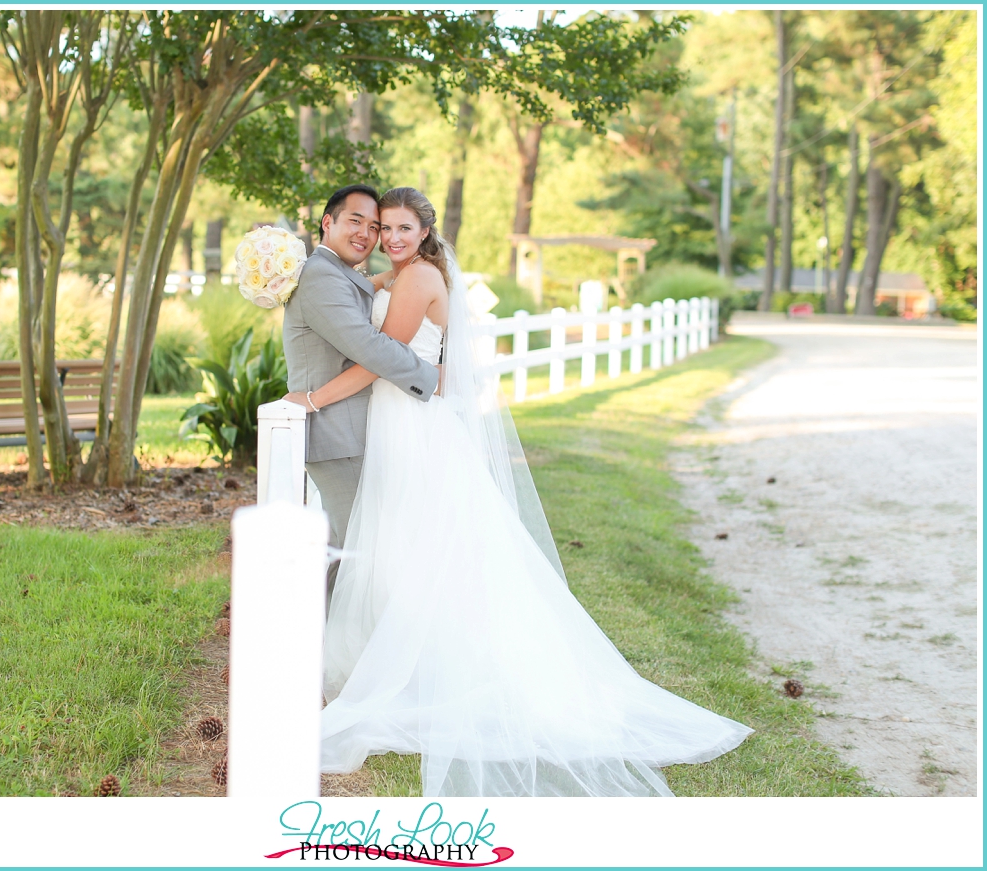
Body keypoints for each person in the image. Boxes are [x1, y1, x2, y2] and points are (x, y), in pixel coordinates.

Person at [284, 187, 752, 797]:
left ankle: (420, 669)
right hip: (401, 425)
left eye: (400, 228)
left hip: (410, 422)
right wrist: (373, 285)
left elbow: (379, 356)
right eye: (380, 227)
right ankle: (396, 658)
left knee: (411, 546)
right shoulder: (396, 277)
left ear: (425, 233)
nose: (388, 237)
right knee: (406, 544)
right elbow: (373, 304)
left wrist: (314, 398)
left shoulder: (416, 278)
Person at [282, 185, 440, 606]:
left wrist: (389, 276)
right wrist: (432, 377)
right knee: (360, 554)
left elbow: (366, 295)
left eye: (377, 226)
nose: (371, 235)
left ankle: (319, 647)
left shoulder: (339, 273)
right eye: (360, 222)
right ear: (327, 221)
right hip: (337, 430)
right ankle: (318, 648)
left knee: (352, 551)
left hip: (355, 428)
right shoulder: (320, 275)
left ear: (424, 231)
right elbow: (369, 347)